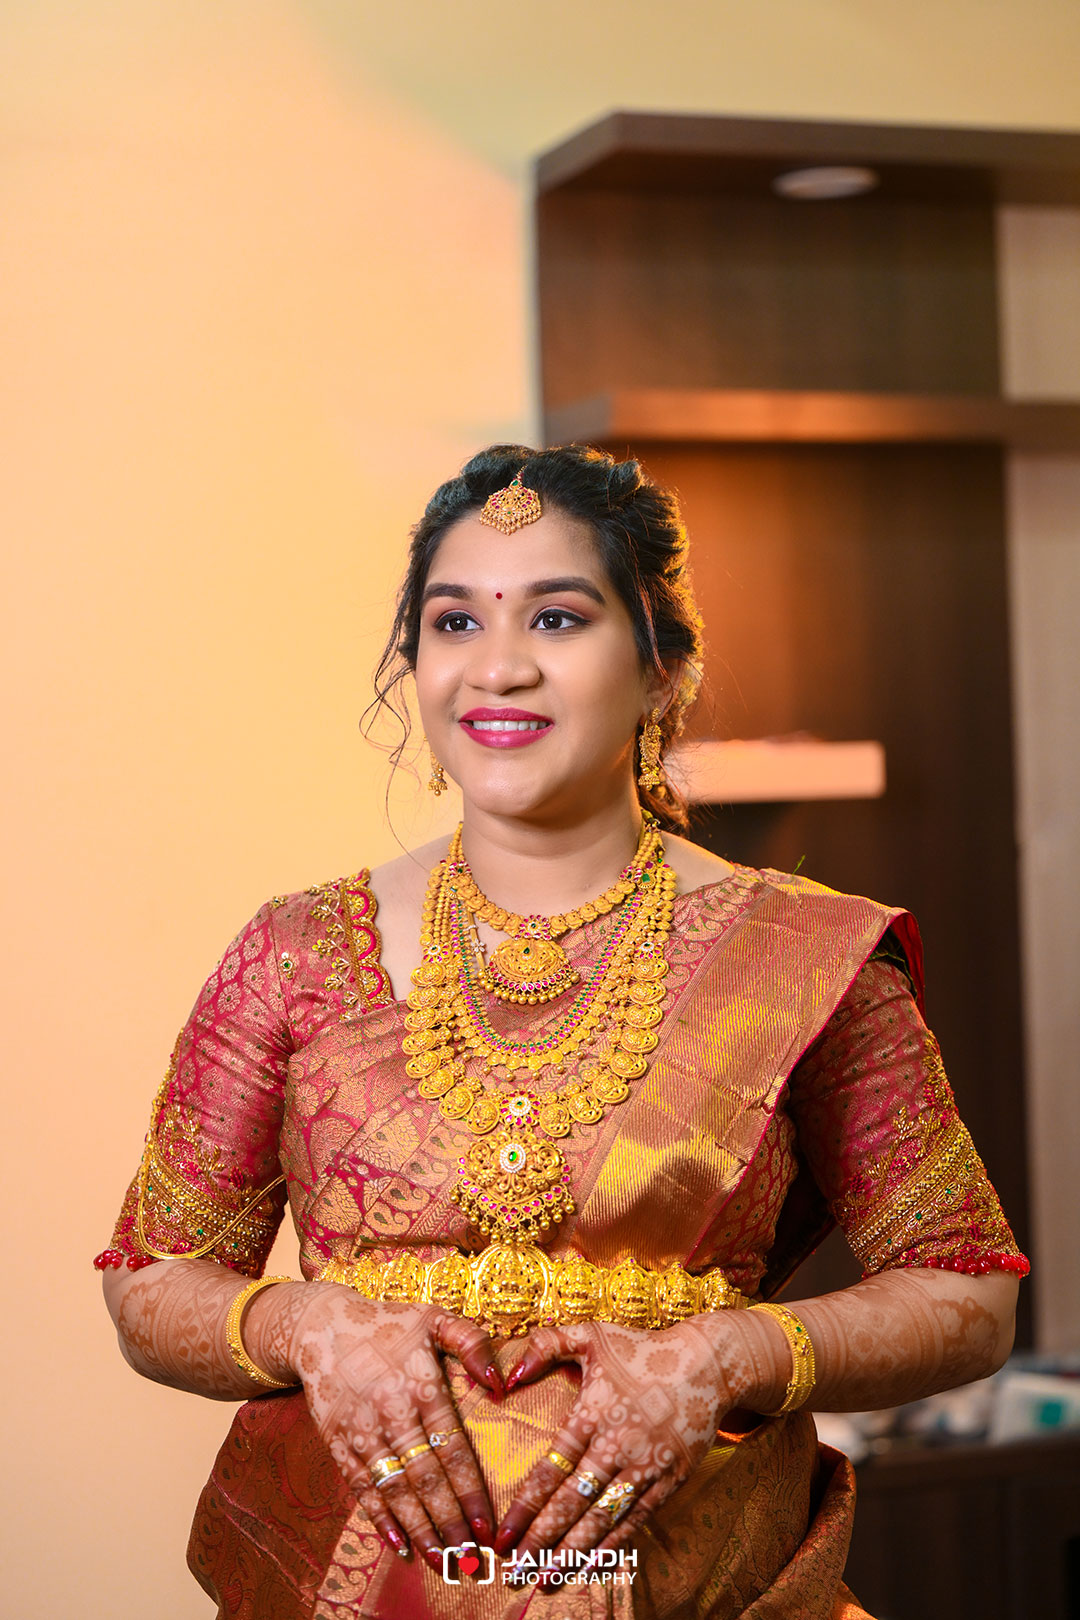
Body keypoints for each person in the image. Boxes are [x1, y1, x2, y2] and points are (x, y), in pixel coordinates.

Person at [98, 444, 1028, 1620]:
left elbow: (967, 1294)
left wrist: (723, 1359)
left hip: (698, 1586)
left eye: (556, 616)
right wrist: (308, 1325)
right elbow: (152, 1280)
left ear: (663, 667)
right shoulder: (295, 952)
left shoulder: (806, 956)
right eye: (454, 622)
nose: (498, 666)